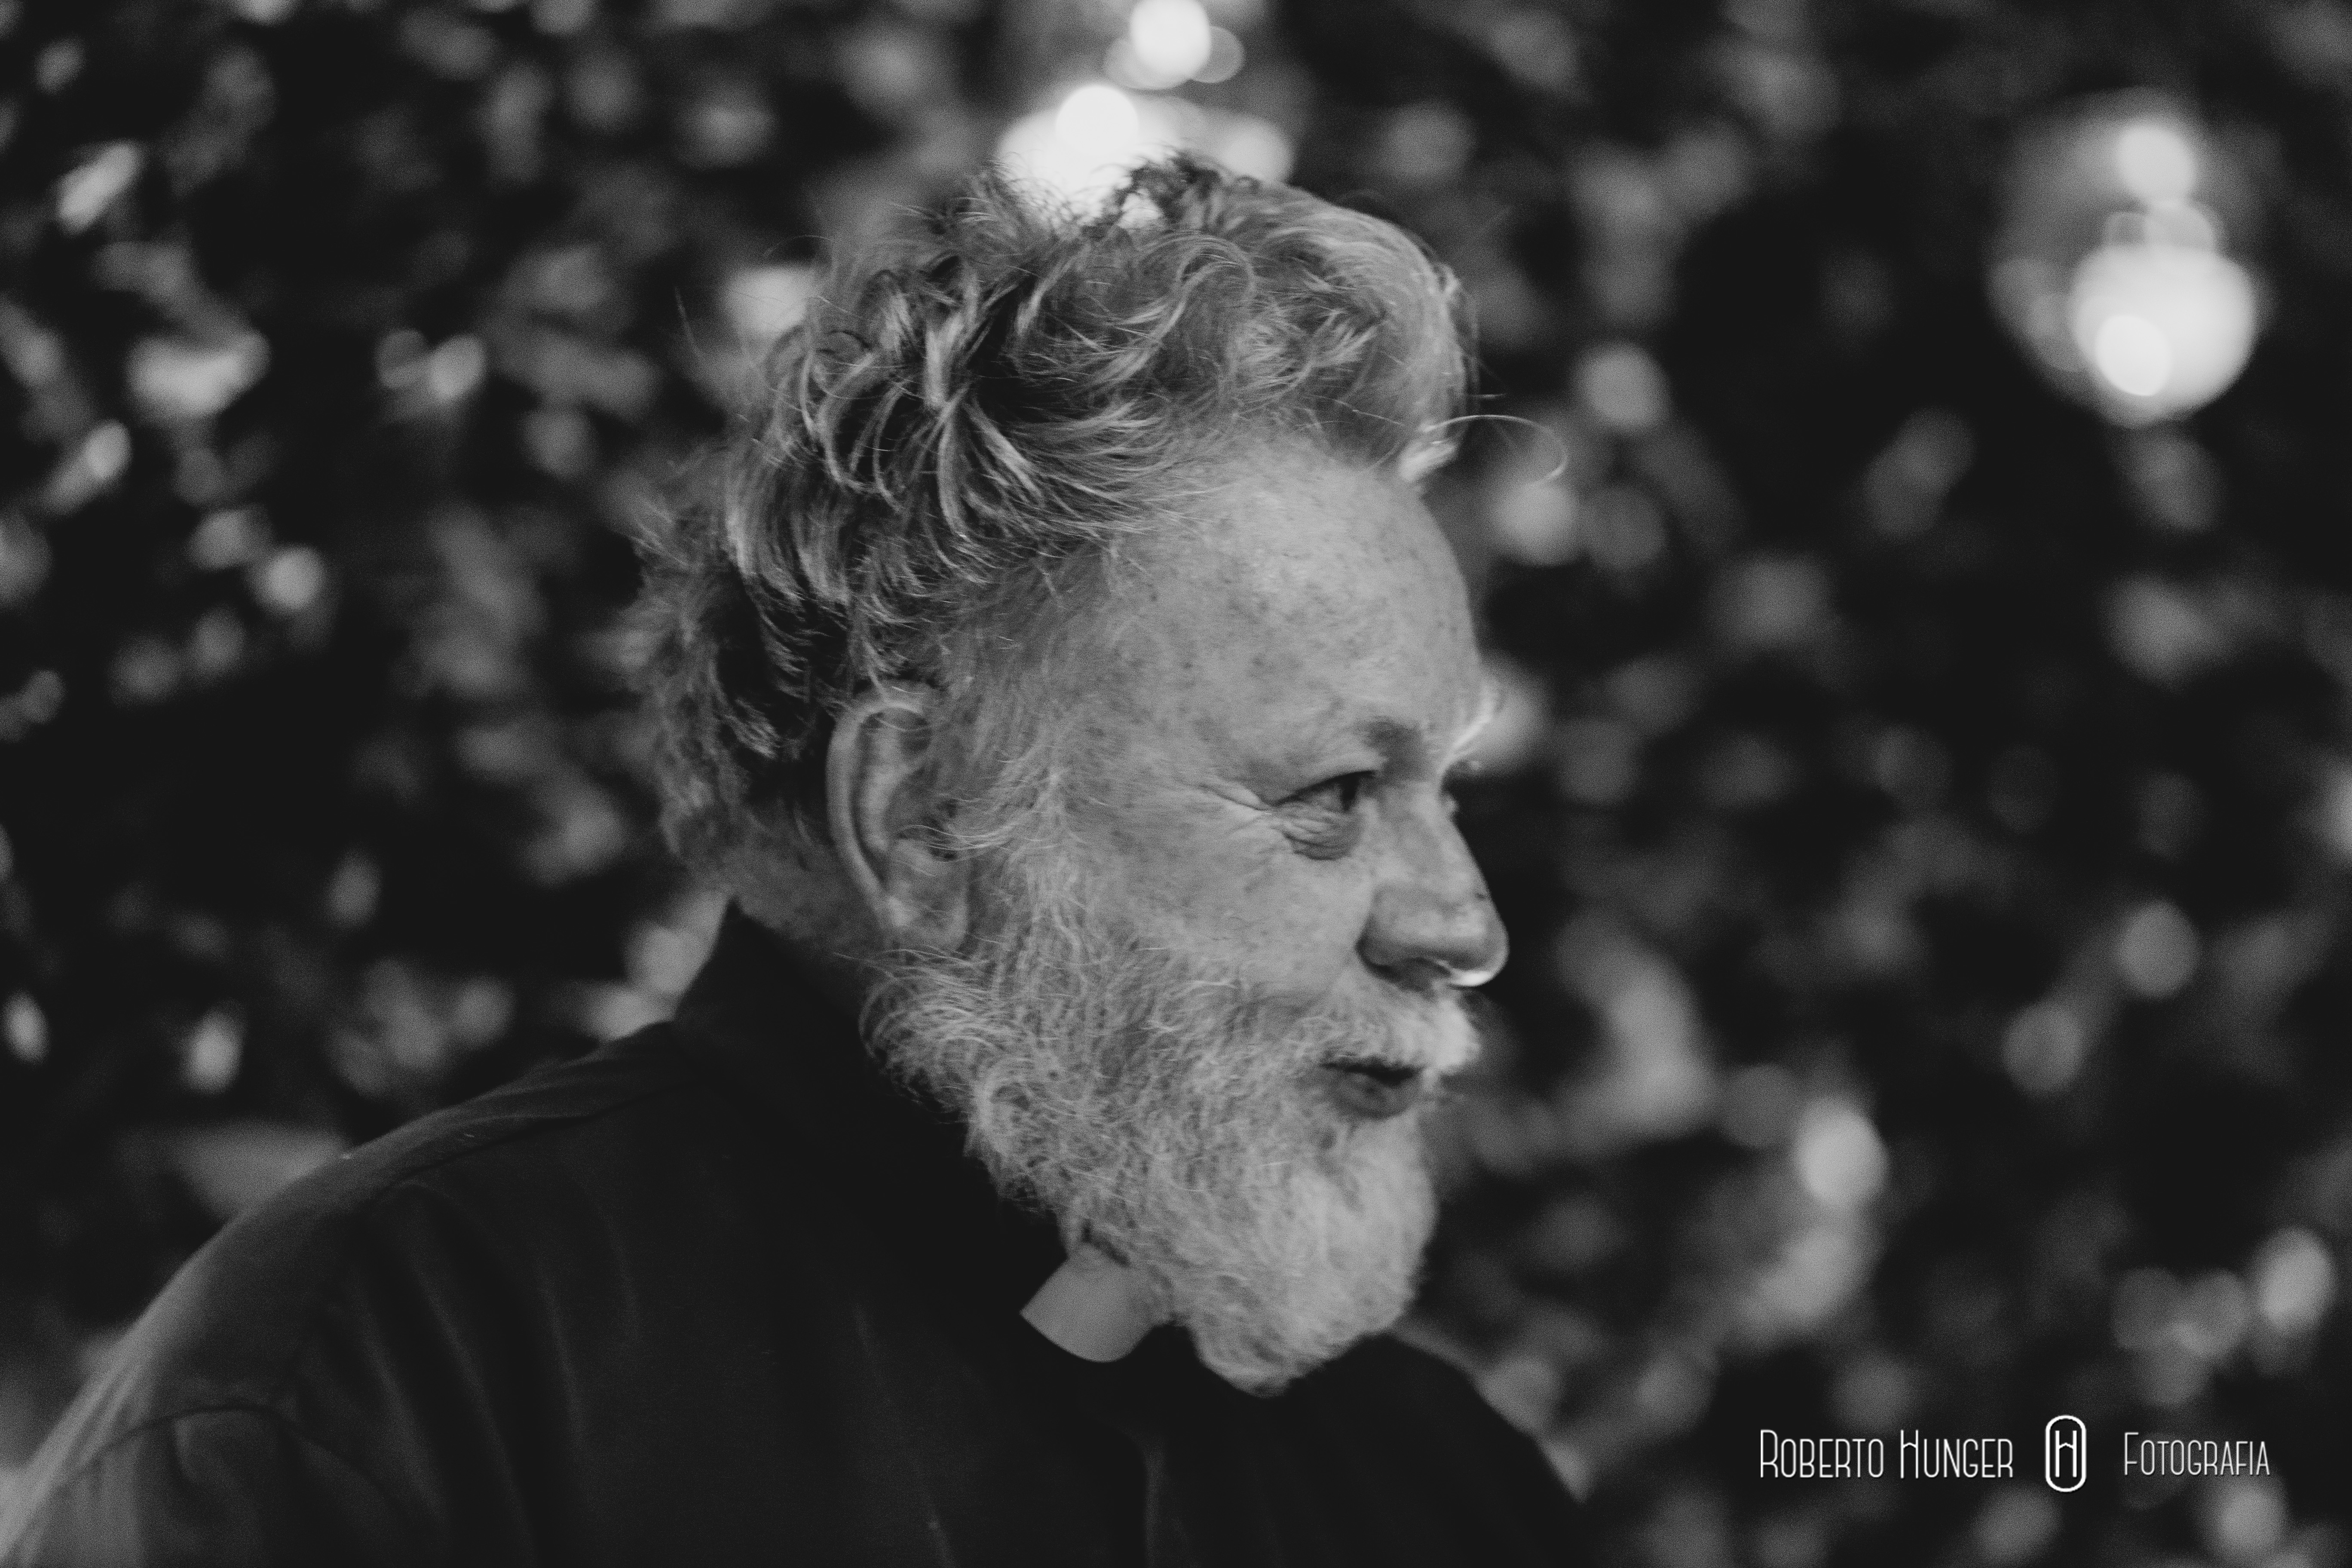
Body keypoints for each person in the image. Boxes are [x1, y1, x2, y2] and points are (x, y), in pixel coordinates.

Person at [0, 156, 1588, 1565]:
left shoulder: (1448, 1494)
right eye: (1331, 794)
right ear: (924, 816)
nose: (1465, 925)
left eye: (1445, 789)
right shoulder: (386, 1388)